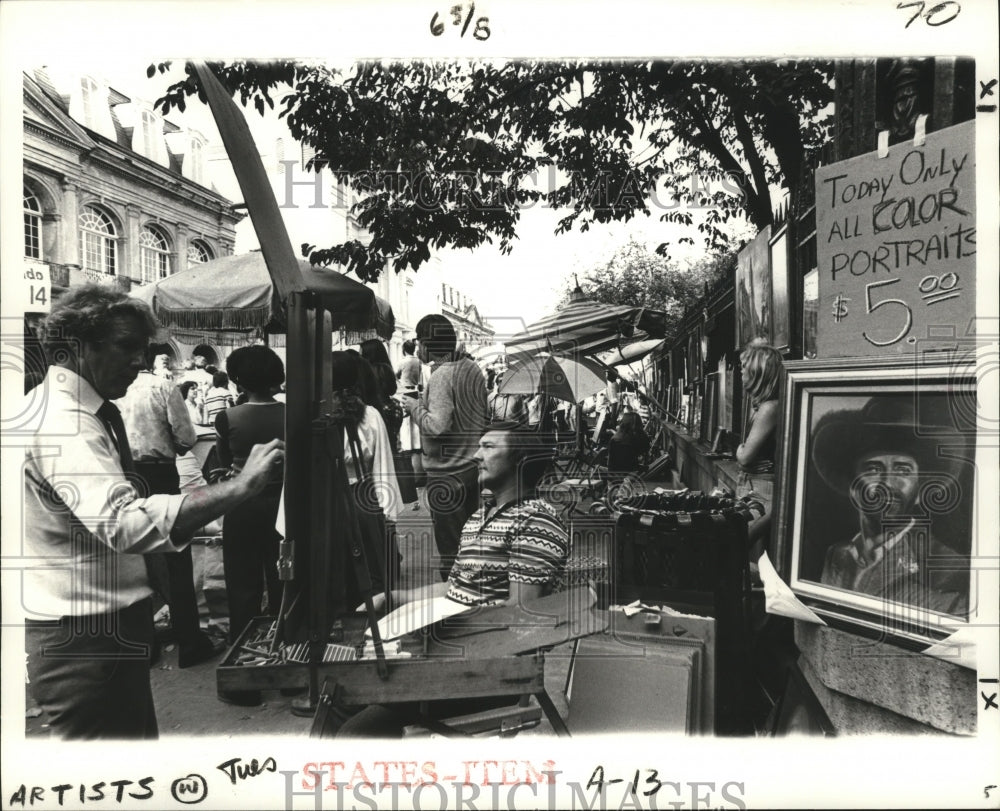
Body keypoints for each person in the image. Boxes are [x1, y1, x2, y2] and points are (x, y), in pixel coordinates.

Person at [22, 284, 284, 739]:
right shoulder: (64, 422)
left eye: (143, 350)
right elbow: (126, 523)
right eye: (126, 347)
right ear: (79, 347)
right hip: (85, 633)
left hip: (101, 624)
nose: (139, 361)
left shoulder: (79, 412)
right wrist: (243, 485)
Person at [336, 423, 568, 737]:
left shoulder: (536, 518)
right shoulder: (478, 517)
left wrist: (439, 628)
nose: (476, 455)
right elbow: (453, 589)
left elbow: (520, 615)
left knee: (355, 733)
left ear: (521, 459)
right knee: (337, 693)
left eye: (488, 447)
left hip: (490, 672)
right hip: (451, 656)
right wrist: (392, 598)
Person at [813, 396, 971, 615]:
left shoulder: (947, 567)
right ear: (853, 487)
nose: (887, 484)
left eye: (903, 470)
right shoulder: (837, 555)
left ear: (920, 491)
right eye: (873, 469)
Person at [114, 348, 222, 668]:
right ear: (152, 361)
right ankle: (190, 641)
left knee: (138, 557)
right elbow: (185, 437)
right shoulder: (162, 387)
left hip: (126, 474)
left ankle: (144, 642)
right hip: (160, 472)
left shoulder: (112, 391)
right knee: (176, 554)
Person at [214, 345, 286, 706]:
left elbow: (226, 461)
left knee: (243, 588)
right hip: (284, 510)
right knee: (283, 586)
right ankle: (288, 669)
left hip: (242, 507)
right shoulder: (292, 413)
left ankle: (245, 679)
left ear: (239, 379)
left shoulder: (228, 417)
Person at [402, 314, 487, 580]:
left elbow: (438, 427)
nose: (417, 348)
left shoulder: (441, 376)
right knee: (472, 545)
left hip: (448, 475)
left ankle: (455, 608)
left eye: (418, 341)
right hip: (472, 468)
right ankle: (476, 599)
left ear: (426, 343)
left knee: (452, 553)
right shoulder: (472, 369)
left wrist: (414, 407)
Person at [734, 338, 782, 472]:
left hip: (761, 487)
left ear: (757, 371)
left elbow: (744, 457)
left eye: (744, 366)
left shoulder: (769, 408)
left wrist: (739, 451)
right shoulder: (764, 404)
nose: (741, 371)